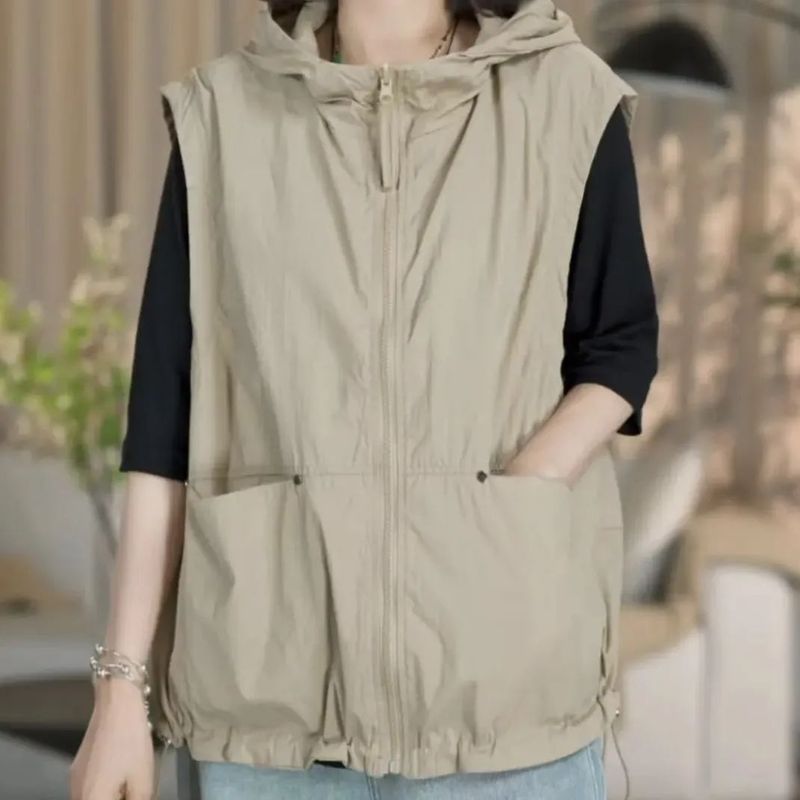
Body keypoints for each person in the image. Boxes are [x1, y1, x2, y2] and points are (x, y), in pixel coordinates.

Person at [70, 0, 659, 798]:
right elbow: (162, 425)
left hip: (508, 710)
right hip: (266, 724)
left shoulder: (567, 97)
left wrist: (518, 495)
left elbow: (620, 345)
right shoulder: (225, 115)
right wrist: (118, 693)